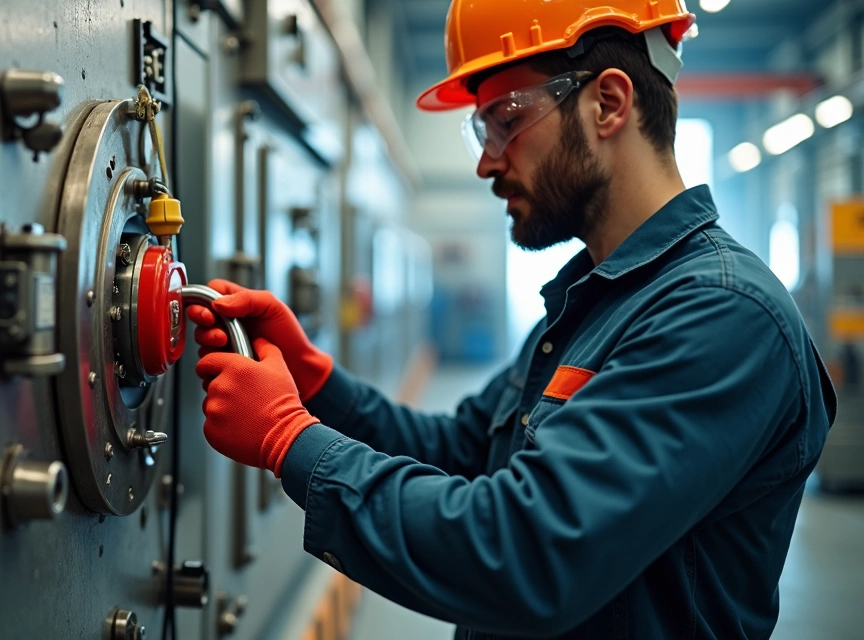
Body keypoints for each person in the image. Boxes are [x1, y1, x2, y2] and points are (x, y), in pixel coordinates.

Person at [186, 1, 838, 638]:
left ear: (608, 104)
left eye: (505, 119)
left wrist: (286, 438)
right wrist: (316, 384)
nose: (486, 160)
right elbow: (461, 452)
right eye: (481, 129)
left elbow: (528, 554)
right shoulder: (595, 300)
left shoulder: (722, 316)